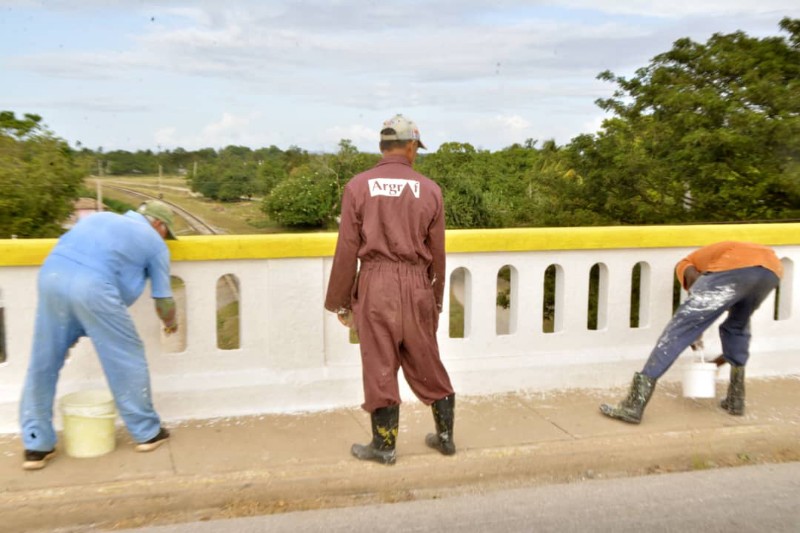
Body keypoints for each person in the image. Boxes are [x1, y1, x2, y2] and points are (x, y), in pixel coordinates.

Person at [325, 114, 455, 465]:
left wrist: (340, 302)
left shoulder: (358, 186)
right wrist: (436, 299)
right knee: (427, 358)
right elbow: (438, 254)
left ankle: (384, 446)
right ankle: (445, 437)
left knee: (380, 363)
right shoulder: (430, 190)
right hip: (416, 284)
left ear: (383, 147)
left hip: (375, 283)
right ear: (411, 146)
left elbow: (347, 249)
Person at [19, 200, 179, 470]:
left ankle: (36, 445)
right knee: (125, 359)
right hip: (94, 288)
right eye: (166, 232)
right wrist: (171, 323)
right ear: (158, 224)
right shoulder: (154, 243)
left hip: (52, 277)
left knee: (43, 362)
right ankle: (147, 432)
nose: (165, 237)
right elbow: (163, 300)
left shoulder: (97, 218)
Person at [600, 241, 783, 424]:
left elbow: (698, 299)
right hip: (771, 271)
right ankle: (736, 399)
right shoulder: (716, 256)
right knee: (736, 327)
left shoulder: (686, 264)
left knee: (677, 332)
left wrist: (693, 329)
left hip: (735, 266)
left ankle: (633, 404)